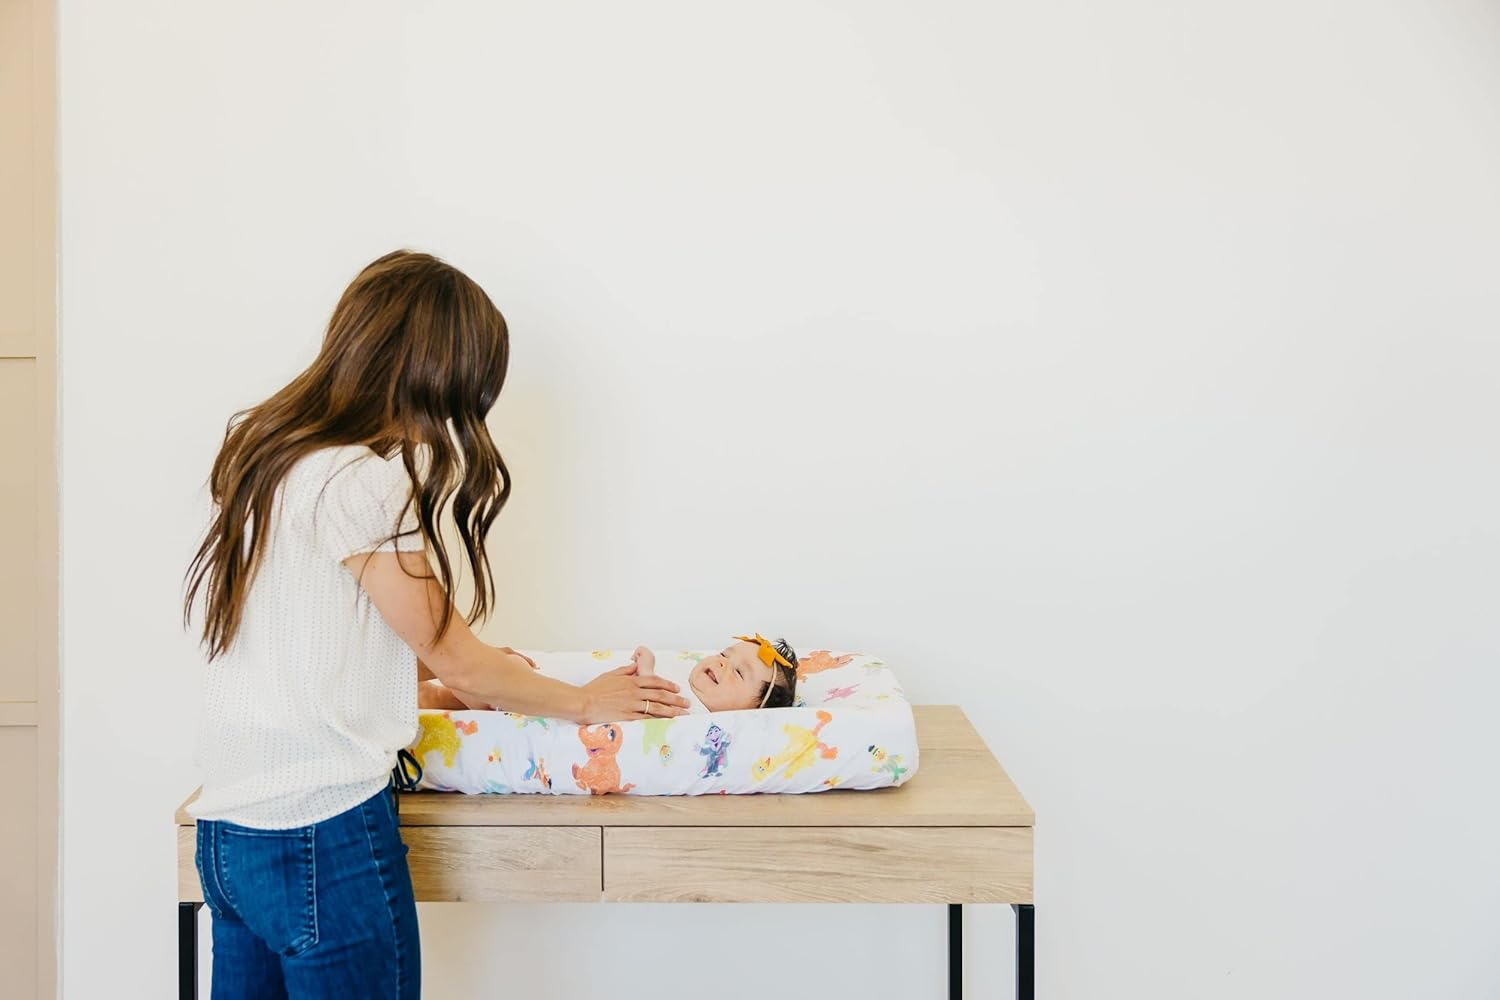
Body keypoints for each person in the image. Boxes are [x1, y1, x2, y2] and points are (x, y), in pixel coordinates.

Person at [182, 250, 689, 1000]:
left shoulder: (265, 455)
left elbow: (313, 639)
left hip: (228, 838)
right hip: (321, 834)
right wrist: (586, 700)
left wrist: (469, 675)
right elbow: (452, 652)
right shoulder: (359, 478)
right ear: (430, 370)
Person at [419, 634, 800, 713]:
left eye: (739, 673)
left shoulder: (699, 716)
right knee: (509, 673)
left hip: (556, 698)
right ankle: (440, 690)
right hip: (566, 688)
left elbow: (651, 703)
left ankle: (444, 686)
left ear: (753, 710)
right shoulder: (687, 686)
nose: (721, 664)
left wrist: (646, 668)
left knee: (500, 684)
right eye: (723, 655)